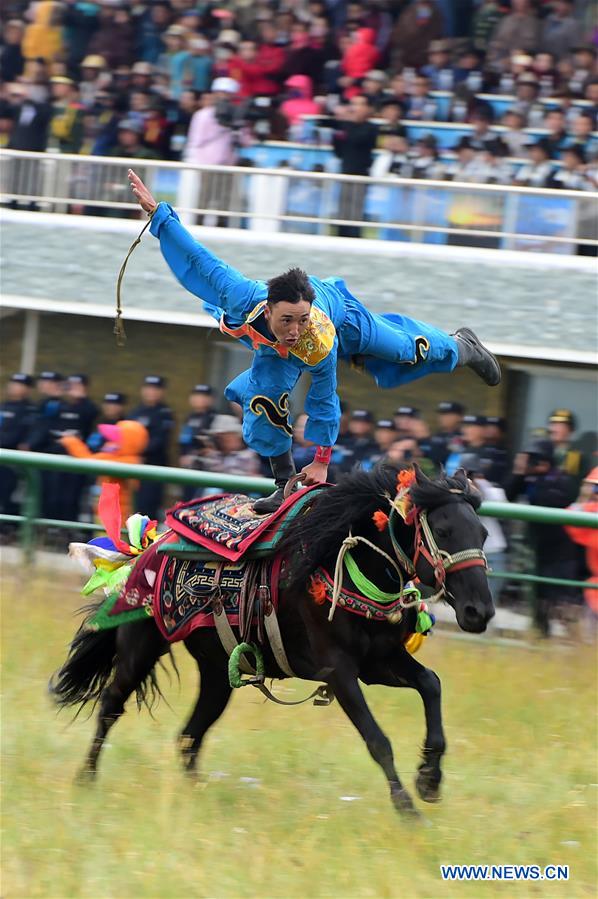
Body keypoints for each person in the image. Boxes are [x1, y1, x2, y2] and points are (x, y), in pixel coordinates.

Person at [128, 169, 501, 514]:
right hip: (273, 353)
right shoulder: (240, 295)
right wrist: (159, 215)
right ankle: (283, 483)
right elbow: (198, 258)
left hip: (345, 317)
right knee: (264, 395)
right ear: (268, 309)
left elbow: (325, 399)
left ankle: (461, 346)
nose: (294, 329)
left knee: (405, 350)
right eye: (287, 320)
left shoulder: (316, 337)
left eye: (301, 320)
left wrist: (322, 459)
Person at [504, 439, 580, 637]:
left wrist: (535, 479)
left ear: (547, 462)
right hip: (538, 551)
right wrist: (519, 472)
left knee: (562, 601)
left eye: (535, 460)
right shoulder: (528, 479)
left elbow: (550, 502)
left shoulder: (560, 480)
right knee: (538, 599)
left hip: (560, 553)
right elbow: (508, 495)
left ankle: (575, 640)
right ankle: (541, 635)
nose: (532, 464)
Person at [128, 375, 174, 518]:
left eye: (155, 389)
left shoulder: (164, 414)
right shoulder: (135, 412)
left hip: (153, 467)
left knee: (148, 509)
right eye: (148, 388)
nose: (151, 392)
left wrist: (137, 450)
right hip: (134, 467)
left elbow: (160, 441)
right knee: (133, 507)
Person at [0, 373, 35, 528]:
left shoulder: (29, 410)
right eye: (12, 383)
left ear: (27, 389)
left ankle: (8, 528)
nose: (13, 386)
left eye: (18, 384)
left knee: (9, 495)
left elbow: (17, 436)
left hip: (13, 463)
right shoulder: (4, 406)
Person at [178, 384, 216, 500]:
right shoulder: (190, 417)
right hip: (188, 467)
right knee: (186, 499)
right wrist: (183, 455)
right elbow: (184, 439)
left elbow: (213, 445)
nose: (200, 399)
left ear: (211, 399)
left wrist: (198, 453)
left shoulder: (214, 417)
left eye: (204, 396)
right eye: (197, 395)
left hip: (205, 467)